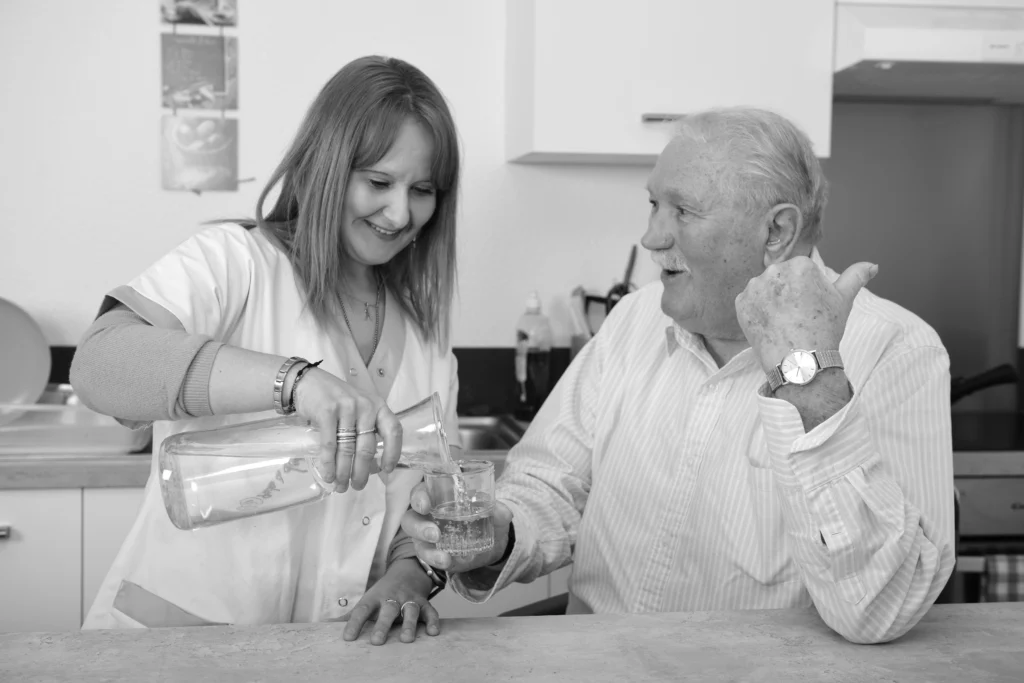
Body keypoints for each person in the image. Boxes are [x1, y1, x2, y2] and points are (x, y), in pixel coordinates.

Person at [403, 107, 955, 645]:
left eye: (683, 211)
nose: (652, 237)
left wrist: (807, 380)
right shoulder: (633, 320)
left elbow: (882, 610)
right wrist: (503, 535)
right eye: (653, 205)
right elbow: (550, 487)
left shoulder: (897, 350)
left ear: (777, 231)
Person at [71, 55, 461, 645]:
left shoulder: (426, 339)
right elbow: (101, 364)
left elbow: (429, 502)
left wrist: (408, 575)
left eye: (423, 190)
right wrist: (295, 381)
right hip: (174, 645)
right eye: (379, 182)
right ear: (327, 166)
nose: (402, 212)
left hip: (332, 649)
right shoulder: (235, 263)